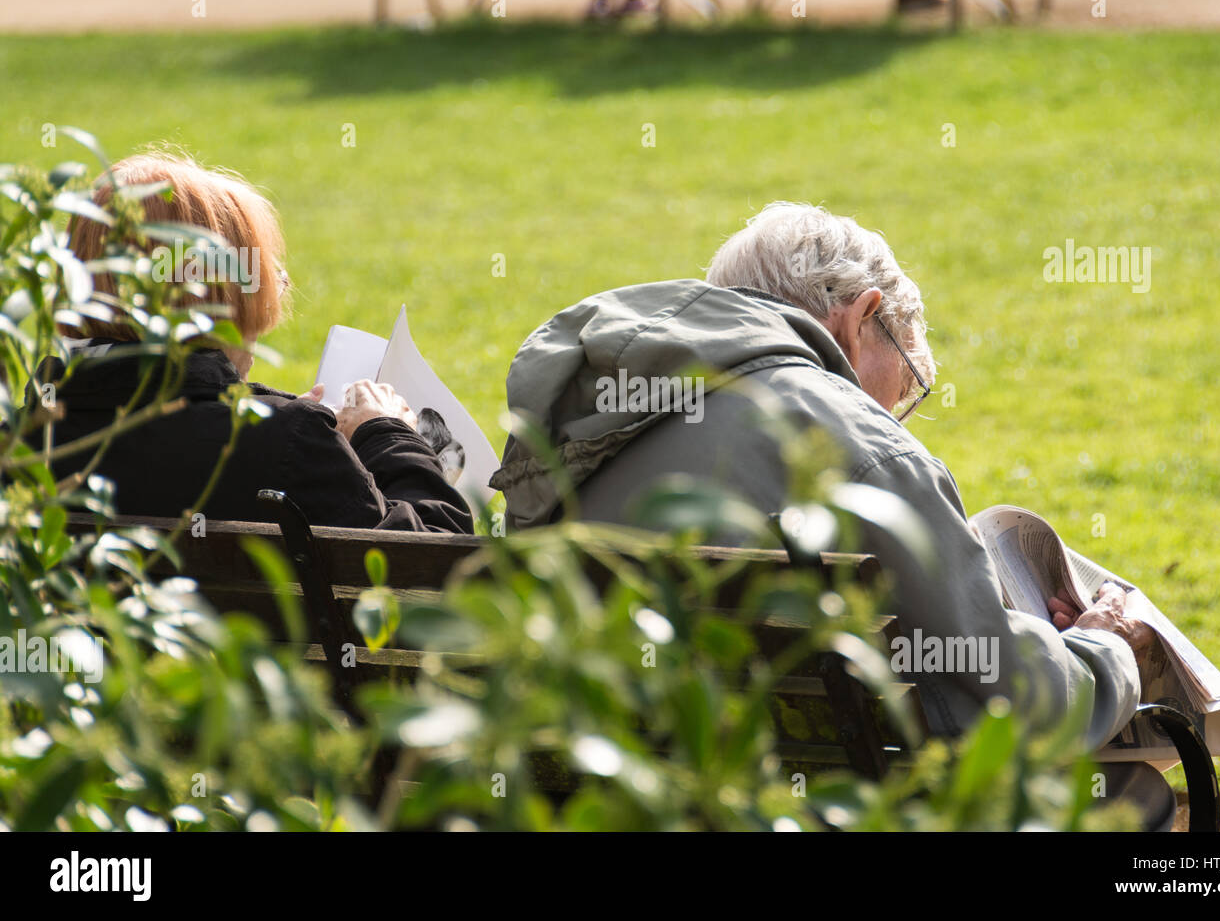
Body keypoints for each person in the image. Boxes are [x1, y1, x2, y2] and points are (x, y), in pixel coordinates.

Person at [491, 202, 1151, 777]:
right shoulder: (857, 446)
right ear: (863, 316)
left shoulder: (579, 424)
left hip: (600, 789)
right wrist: (1105, 650)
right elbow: (1017, 706)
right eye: (904, 394)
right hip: (806, 800)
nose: (895, 419)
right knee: (1133, 791)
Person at [38, 152, 472, 534]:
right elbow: (436, 566)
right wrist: (385, 435)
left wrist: (285, 430)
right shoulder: (291, 445)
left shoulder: (24, 444)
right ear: (221, 298)